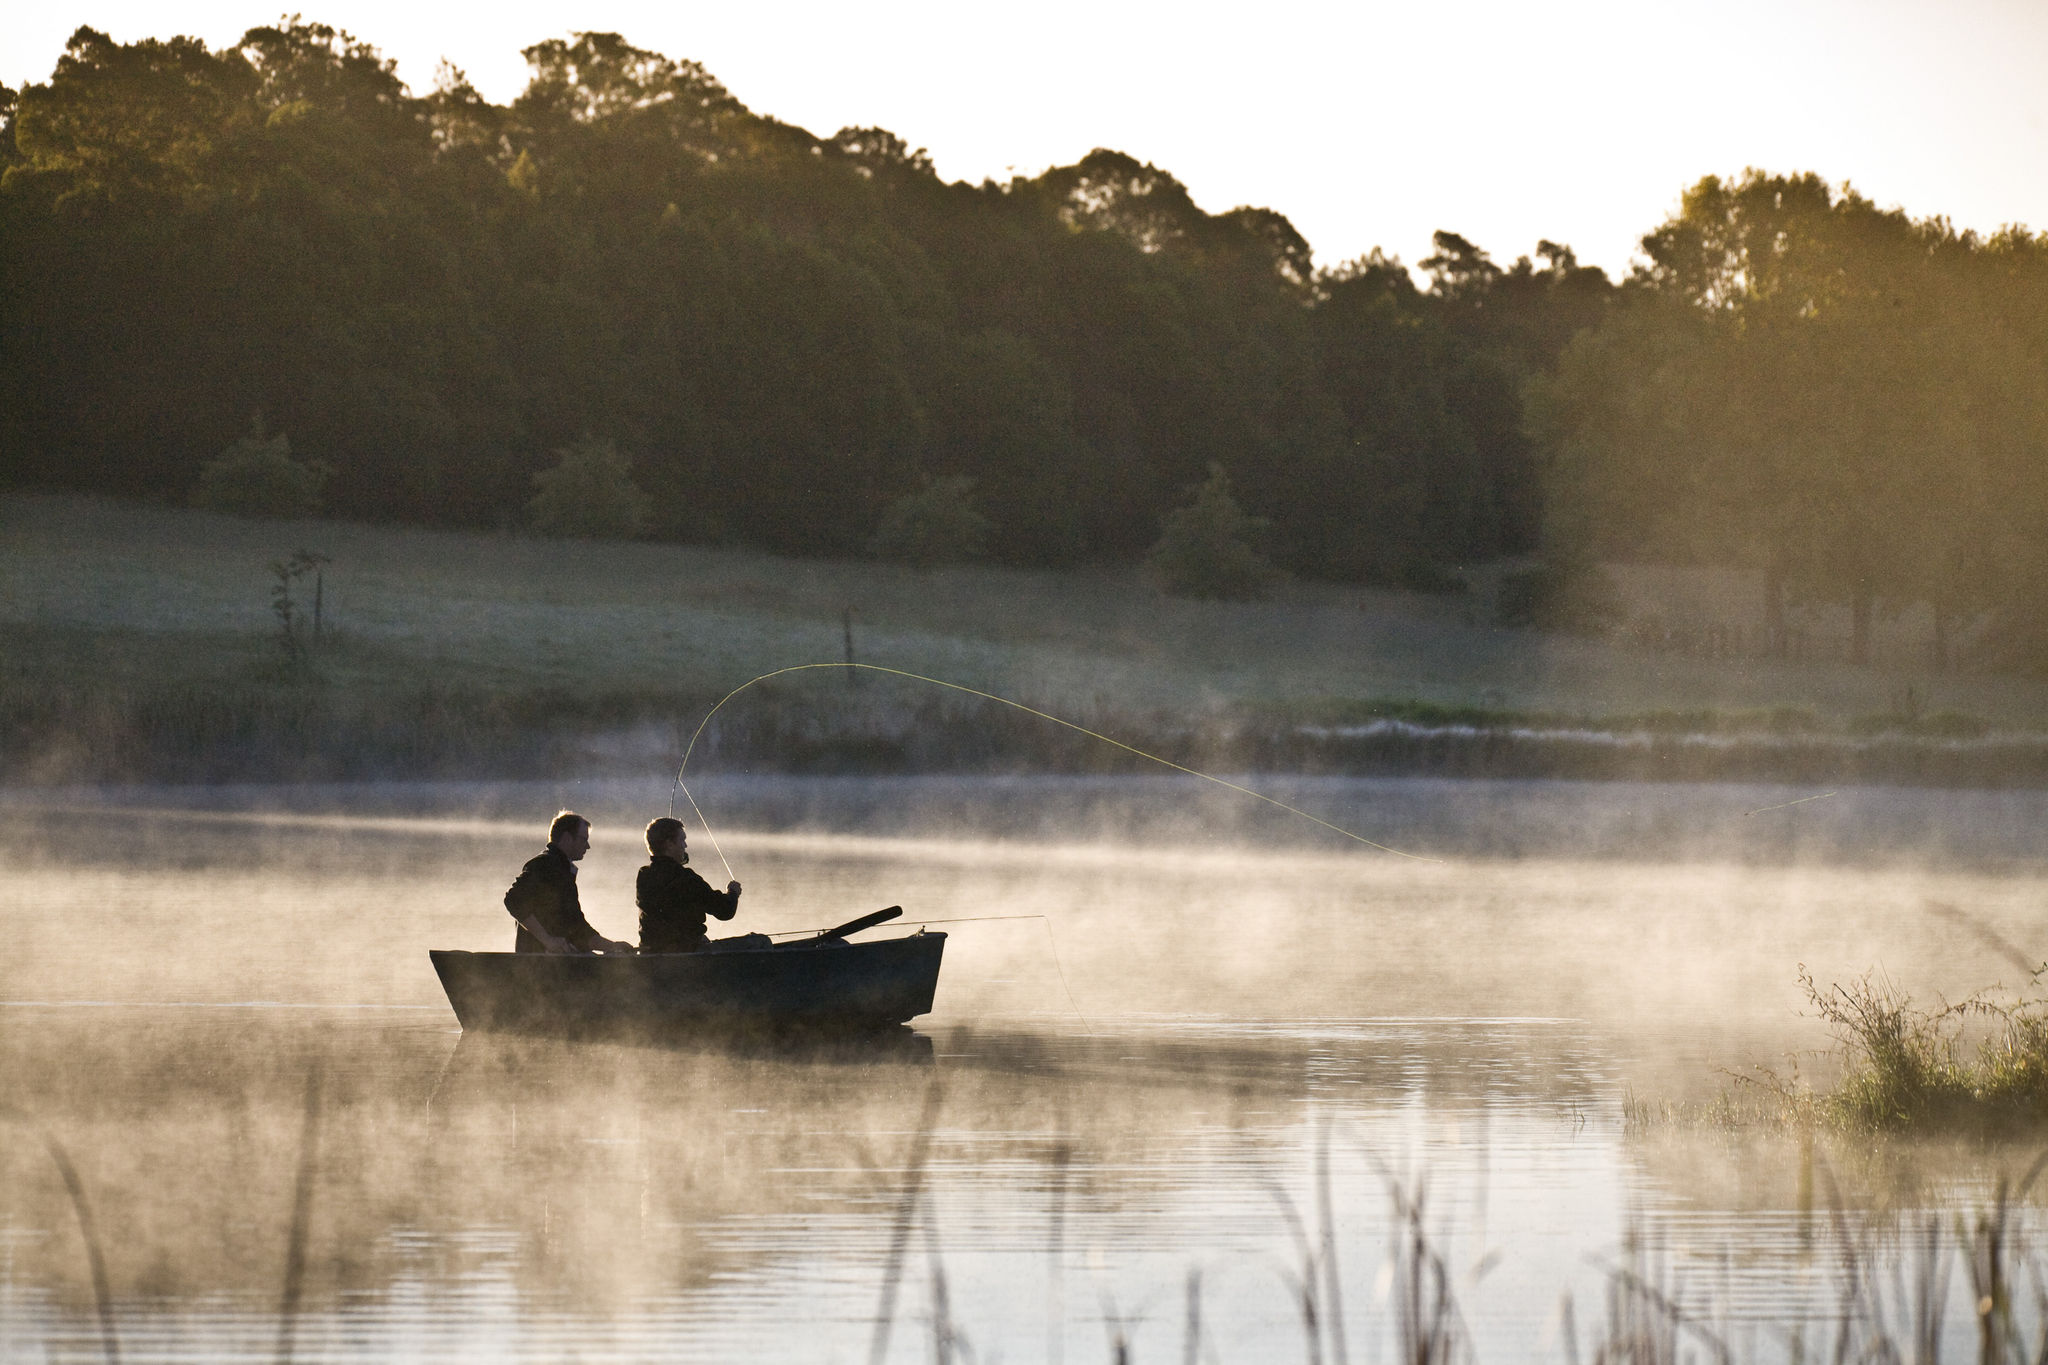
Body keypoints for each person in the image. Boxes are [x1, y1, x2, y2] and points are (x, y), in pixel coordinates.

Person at [503, 810, 634, 955]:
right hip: (537, 964)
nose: (587, 846)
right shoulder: (545, 864)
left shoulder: (563, 870)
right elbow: (514, 899)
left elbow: (578, 928)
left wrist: (612, 946)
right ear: (566, 838)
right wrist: (548, 941)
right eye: (583, 839)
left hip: (557, 962)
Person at [637, 817, 744, 953]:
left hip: (651, 952)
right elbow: (725, 911)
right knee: (761, 942)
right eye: (682, 840)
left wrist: (677, 861)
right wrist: (733, 892)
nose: (685, 846)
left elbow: (667, 887)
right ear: (669, 844)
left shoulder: (644, 875)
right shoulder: (685, 878)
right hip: (687, 954)